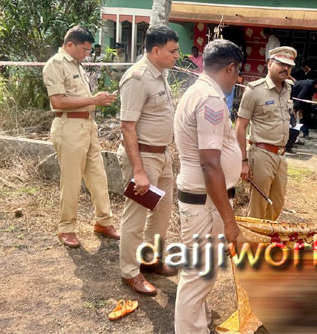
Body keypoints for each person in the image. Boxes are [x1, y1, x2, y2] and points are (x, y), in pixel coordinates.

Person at [174, 39, 243, 333]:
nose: (236, 79)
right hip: (205, 201)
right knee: (199, 273)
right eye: (237, 73)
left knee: (202, 270)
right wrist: (229, 220)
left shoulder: (197, 91)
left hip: (201, 198)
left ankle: (198, 321)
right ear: (230, 68)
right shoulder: (211, 99)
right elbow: (210, 164)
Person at [42, 26, 119, 248]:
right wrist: (94, 100)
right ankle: (66, 228)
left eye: (88, 50)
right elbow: (57, 101)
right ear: (70, 45)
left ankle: (103, 222)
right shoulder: (56, 64)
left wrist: (97, 101)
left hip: (87, 125)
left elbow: (81, 98)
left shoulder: (76, 65)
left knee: (98, 176)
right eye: (84, 49)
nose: (87, 54)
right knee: (72, 180)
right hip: (69, 127)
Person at [117, 26, 179, 295]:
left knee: (162, 212)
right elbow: (127, 126)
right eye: (172, 51)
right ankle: (130, 272)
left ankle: (150, 259)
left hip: (161, 155)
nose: (177, 55)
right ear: (156, 50)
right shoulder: (138, 78)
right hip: (143, 157)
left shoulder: (160, 74)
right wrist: (139, 171)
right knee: (136, 216)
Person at [236, 46, 295, 220]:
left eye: (289, 66)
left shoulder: (288, 89)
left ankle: (266, 235)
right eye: (281, 64)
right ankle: (252, 237)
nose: (286, 69)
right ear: (269, 64)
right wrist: (243, 161)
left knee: (277, 204)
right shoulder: (254, 90)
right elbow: (240, 126)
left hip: (281, 155)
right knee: (258, 205)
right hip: (261, 153)